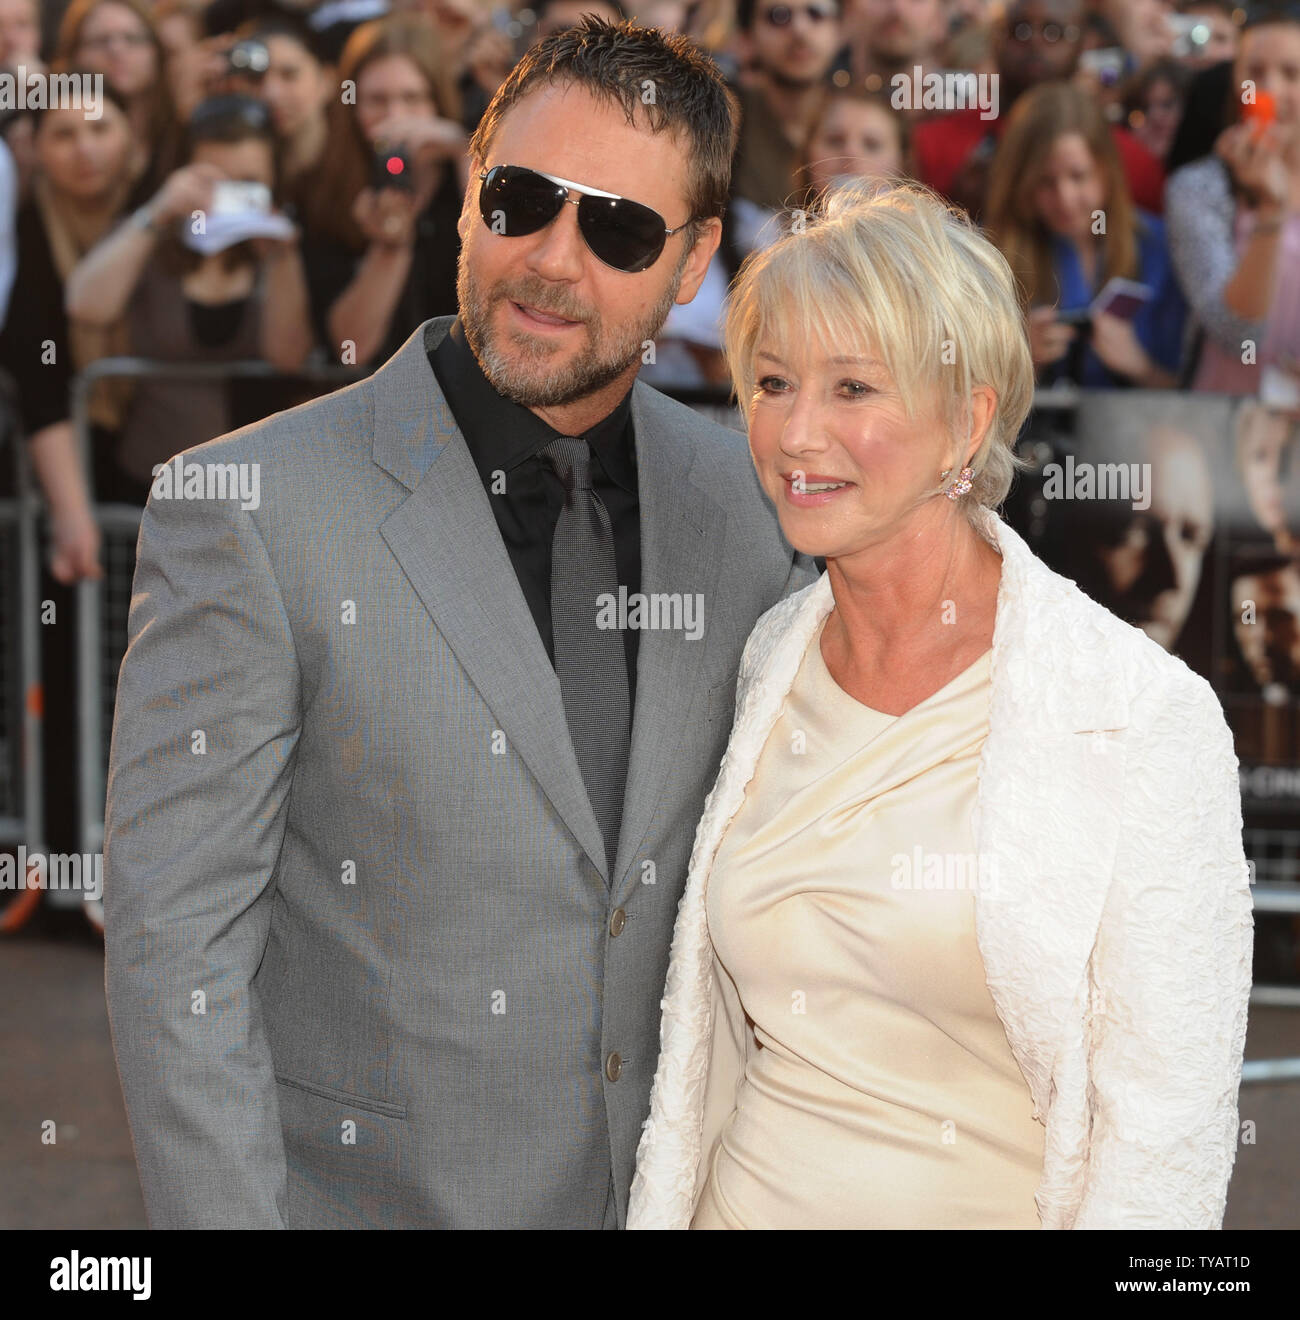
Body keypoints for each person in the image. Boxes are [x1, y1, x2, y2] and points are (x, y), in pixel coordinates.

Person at [102, 15, 816, 1230]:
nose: (551, 259)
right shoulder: (249, 512)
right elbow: (177, 956)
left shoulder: (750, 507)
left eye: (620, 227)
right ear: (470, 188)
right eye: (522, 199)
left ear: (694, 262)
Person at [627, 177, 1253, 1229]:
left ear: (965, 421)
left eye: (853, 390)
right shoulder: (774, 653)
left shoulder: (1133, 713)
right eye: (773, 383)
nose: (794, 434)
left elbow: (1168, 1136)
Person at [65, 93, 314, 504]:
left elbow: (287, 358)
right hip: (153, 486)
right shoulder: (154, 238)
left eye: (248, 184)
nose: (230, 196)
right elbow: (86, 305)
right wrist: (159, 210)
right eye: (214, 180)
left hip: (258, 492)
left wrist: (282, 260)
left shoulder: (281, 248)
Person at [985, 82, 1187, 388]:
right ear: (1020, 183)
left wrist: (1140, 366)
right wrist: (1021, 363)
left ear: (1106, 170)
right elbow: (963, 399)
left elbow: (1192, 396)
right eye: (1045, 182)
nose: (1065, 198)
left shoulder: (1157, 246)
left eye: (1078, 176)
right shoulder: (989, 256)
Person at [300, 15, 470, 366]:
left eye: (413, 98)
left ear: (438, 101)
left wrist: (465, 151)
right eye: (377, 100)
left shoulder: (466, 174)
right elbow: (351, 350)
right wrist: (390, 248)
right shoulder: (326, 194)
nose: (397, 117)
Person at [1165, 10, 1300, 394]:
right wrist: (1270, 211)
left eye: (1291, 74)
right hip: (1224, 421)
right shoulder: (1199, 188)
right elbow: (1236, 331)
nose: (1270, 90)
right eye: (1255, 72)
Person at [55, 0, 184, 193]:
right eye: (100, 40)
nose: (116, 50)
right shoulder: (49, 129)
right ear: (74, 55)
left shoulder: (183, 135)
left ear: (156, 51)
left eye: (132, 39)